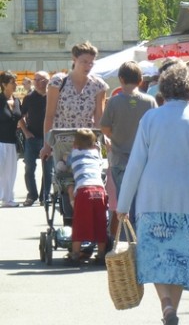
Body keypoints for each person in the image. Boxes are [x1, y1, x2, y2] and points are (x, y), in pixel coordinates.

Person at [116, 61, 189, 325]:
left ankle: (166, 308)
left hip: (152, 201)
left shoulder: (150, 120)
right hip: (187, 202)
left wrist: (123, 204)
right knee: (178, 261)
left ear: (163, 89)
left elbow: (136, 164)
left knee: (154, 259)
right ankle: (171, 311)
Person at [100, 61, 157, 236]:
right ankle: (140, 233)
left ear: (121, 79)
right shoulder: (150, 101)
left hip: (119, 158)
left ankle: (124, 236)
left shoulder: (114, 102)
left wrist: (114, 137)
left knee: (124, 198)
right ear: (140, 80)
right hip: (144, 159)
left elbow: (105, 128)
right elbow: (155, 127)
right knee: (141, 198)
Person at [40, 41, 109, 161]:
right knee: (64, 179)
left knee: (88, 179)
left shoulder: (98, 85)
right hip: (62, 144)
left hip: (88, 143)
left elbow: (99, 117)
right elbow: (49, 116)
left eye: (91, 63)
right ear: (74, 59)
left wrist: (101, 141)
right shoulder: (58, 82)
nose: (88, 66)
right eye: (84, 62)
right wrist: (46, 145)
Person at [61, 128, 108, 265]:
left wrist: (64, 158)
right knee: (100, 223)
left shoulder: (74, 154)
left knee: (79, 223)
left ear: (75, 144)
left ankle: (75, 253)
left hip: (84, 190)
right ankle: (101, 254)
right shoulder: (96, 154)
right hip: (100, 191)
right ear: (94, 144)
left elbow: (65, 161)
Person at [18, 71, 54, 206]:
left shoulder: (53, 96)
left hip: (49, 139)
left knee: (48, 169)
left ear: (48, 81)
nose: (38, 83)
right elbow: (19, 116)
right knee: (29, 168)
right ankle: (31, 195)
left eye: (42, 80)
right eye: (36, 80)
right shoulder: (29, 98)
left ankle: (45, 196)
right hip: (32, 138)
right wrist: (26, 131)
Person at [0, 71, 22, 207]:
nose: (15, 84)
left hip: (12, 141)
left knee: (11, 171)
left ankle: (8, 199)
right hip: (0, 141)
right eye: (12, 82)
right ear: (4, 84)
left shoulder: (17, 101)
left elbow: (20, 118)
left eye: (15, 81)